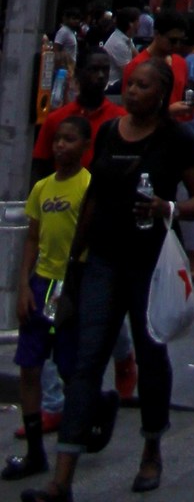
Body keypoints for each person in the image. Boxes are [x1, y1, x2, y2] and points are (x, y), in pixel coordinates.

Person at [23, 56, 194, 502]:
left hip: (149, 263)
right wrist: (74, 260)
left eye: (143, 86)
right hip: (103, 260)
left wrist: (169, 208)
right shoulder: (110, 132)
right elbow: (94, 197)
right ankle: (62, 478)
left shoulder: (177, 139)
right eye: (130, 84)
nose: (132, 92)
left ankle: (151, 449)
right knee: (87, 360)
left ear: (161, 94)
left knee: (151, 354)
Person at [7, 116, 91, 483]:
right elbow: (32, 238)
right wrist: (24, 286)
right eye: (57, 139)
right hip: (42, 283)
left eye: (69, 140)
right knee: (29, 366)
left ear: (84, 146)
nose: (60, 146)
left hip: (68, 286)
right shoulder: (41, 188)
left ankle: (74, 438)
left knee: (69, 366)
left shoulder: (88, 187)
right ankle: (35, 451)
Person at [31, 56, 117, 174]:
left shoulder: (119, 118)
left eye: (105, 70)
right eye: (94, 69)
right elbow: (40, 165)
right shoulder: (55, 119)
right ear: (78, 73)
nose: (101, 75)